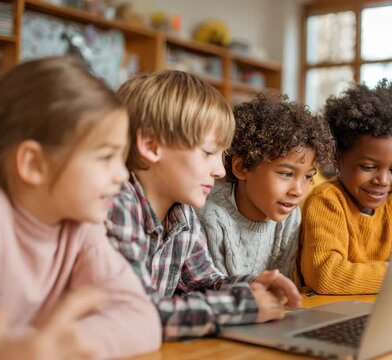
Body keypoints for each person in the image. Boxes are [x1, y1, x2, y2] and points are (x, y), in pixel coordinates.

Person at [0, 56, 161, 359]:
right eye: (105, 157)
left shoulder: (80, 227)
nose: (123, 174)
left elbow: (143, 320)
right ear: (34, 164)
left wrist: (63, 345)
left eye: (122, 157)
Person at [105, 71, 301, 341]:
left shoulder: (182, 212)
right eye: (208, 152)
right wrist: (242, 306)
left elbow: (203, 283)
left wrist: (250, 285)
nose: (220, 170)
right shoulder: (117, 202)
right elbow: (138, 314)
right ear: (150, 145)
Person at [299, 79, 392, 295]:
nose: (383, 180)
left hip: (374, 304)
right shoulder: (327, 200)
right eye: (369, 167)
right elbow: (325, 276)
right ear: (338, 158)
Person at [197, 93, 335, 278]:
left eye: (308, 177)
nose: (298, 191)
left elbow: (282, 283)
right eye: (286, 174)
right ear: (242, 168)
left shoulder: (290, 217)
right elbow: (215, 290)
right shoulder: (211, 217)